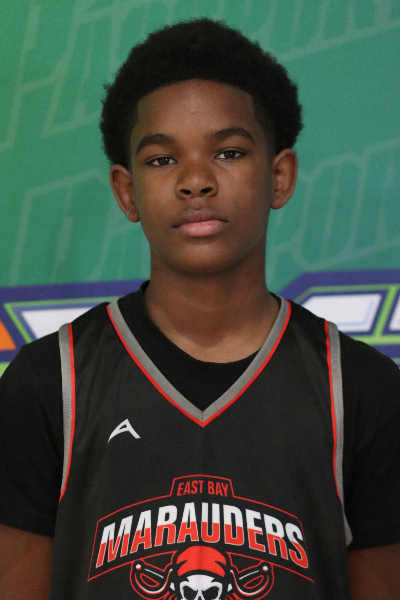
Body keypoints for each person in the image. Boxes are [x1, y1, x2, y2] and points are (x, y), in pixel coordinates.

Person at [0, 18, 399, 600]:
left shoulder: (360, 390)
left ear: (280, 176)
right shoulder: (49, 384)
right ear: (127, 191)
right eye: (162, 160)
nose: (195, 181)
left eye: (229, 152)